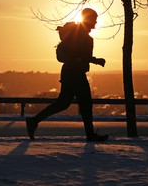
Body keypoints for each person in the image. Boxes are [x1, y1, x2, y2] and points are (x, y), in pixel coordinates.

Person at [26, 8, 108, 142]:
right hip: (75, 73)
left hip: (70, 72)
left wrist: (92, 60)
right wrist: (95, 60)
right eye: (94, 19)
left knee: (63, 103)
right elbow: (79, 56)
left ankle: (34, 121)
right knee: (85, 103)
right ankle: (90, 135)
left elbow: (80, 56)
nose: (96, 22)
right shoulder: (82, 37)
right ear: (88, 19)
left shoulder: (80, 35)